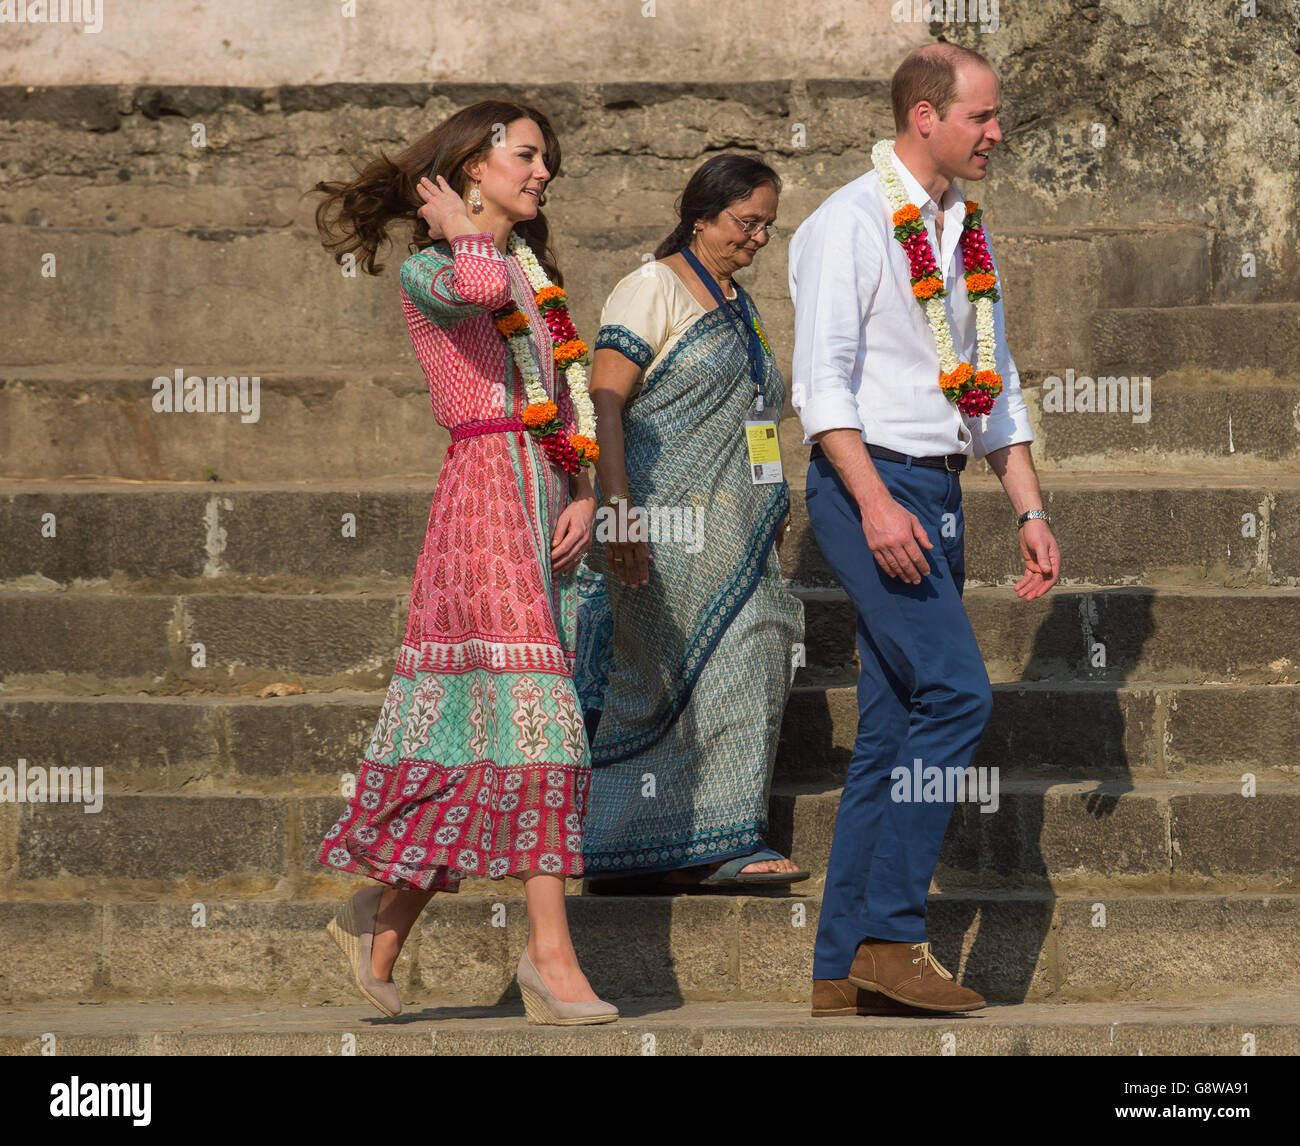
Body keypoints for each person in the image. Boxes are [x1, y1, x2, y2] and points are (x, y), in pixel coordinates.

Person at [311, 100, 616, 1025]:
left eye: (544, 160)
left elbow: (560, 393)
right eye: (526, 156)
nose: (542, 173)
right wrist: (450, 225)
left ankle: (383, 917)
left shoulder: (527, 268)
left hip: (540, 496)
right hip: (481, 498)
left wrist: (585, 491)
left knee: (490, 736)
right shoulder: (434, 267)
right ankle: (551, 959)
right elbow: (473, 295)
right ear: (473, 168)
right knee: (541, 720)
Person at [788, 44, 1061, 1016]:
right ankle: (893, 937)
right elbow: (819, 385)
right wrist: (870, 502)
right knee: (955, 696)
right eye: (982, 117)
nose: (997, 134)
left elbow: (993, 383)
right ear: (923, 119)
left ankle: (836, 966)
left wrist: (1026, 505)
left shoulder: (962, 229)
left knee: (894, 729)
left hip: (938, 487)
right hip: (869, 487)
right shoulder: (848, 224)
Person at [573, 154, 807, 892]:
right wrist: (617, 510)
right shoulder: (653, 287)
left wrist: (774, 494)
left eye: (768, 225)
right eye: (746, 222)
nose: (758, 237)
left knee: (759, 648)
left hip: (733, 533)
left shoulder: (741, 311)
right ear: (702, 215)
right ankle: (696, 842)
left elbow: (761, 418)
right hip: (658, 528)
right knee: (686, 670)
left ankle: (686, 840)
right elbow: (606, 399)